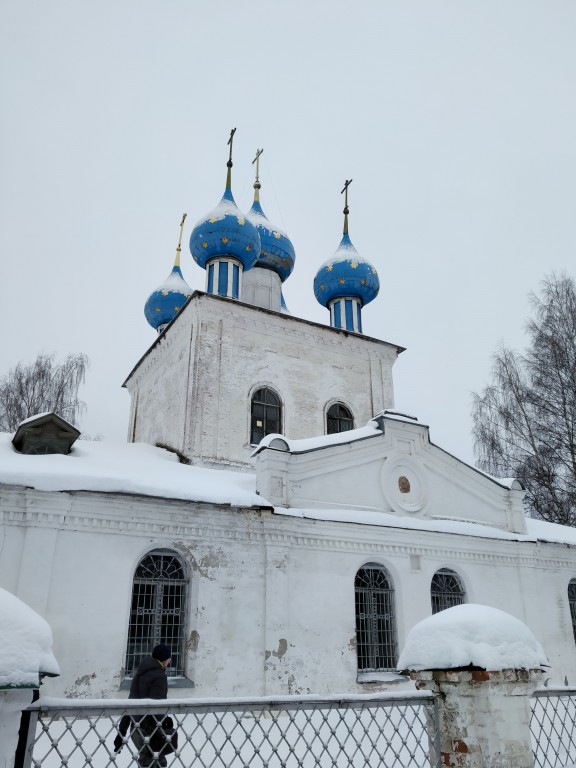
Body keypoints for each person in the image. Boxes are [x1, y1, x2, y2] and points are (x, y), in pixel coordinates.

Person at [114, 644, 174, 768]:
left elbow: (131, 703)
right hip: (150, 730)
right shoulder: (159, 676)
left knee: (148, 760)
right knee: (156, 762)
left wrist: (122, 732)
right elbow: (154, 706)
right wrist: (164, 722)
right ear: (163, 660)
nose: (170, 662)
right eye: (169, 659)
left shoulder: (140, 673)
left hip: (136, 729)